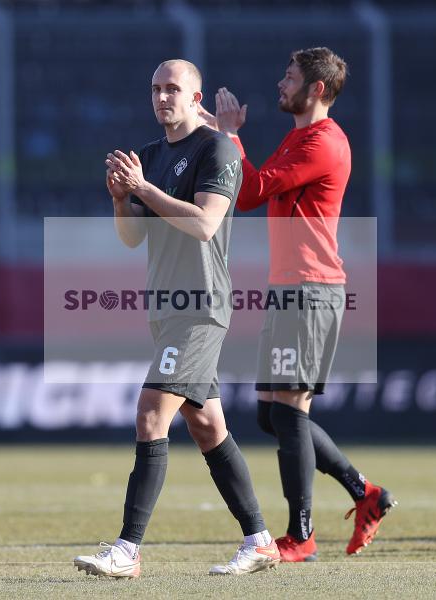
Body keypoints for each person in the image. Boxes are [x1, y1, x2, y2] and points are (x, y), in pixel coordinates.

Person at [73, 59, 280, 578]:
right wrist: (122, 199)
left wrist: (143, 190)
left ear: (196, 98)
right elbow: (132, 238)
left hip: (200, 308)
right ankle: (259, 539)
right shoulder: (149, 156)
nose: (164, 97)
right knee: (208, 426)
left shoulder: (217, 149)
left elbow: (207, 224)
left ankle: (127, 550)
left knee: (149, 415)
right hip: (165, 308)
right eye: (156, 89)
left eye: (174, 89)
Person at [207, 47, 396, 562]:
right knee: (273, 415)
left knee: (289, 414)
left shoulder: (322, 142)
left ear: (316, 88)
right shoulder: (300, 136)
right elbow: (252, 187)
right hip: (290, 290)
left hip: (310, 292)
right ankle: (365, 493)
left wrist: (228, 134)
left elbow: (247, 191)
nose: (280, 84)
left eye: (289, 77)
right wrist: (218, 132)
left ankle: (301, 535)